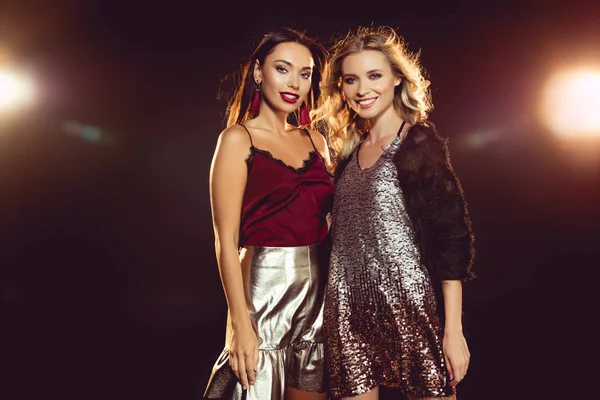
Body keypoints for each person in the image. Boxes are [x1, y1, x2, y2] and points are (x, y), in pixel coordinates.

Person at [313, 26, 476, 399]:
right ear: (341, 88)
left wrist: (453, 330)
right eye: (351, 79)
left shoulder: (417, 142)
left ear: (396, 79)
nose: (362, 89)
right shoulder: (346, 155)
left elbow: (450, 239)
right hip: (346, 310)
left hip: (409, 307)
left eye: (374, 76)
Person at [203, 27, 334, 400]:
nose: (294, 82)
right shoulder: (236, 139)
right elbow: (225, 242)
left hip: (319, 297)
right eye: (283, 69)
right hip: (263, 294)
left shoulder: (316, 140)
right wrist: (241, 323)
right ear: (258, 72)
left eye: (305, 73)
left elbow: (326, 220)